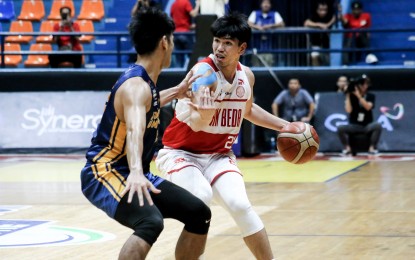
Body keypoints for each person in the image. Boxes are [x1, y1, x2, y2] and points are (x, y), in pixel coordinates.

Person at [156, 12, 290, 259]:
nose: (220, 47)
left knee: (240, 206)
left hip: (218, 155)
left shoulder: (246, 76)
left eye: (228, 43)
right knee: (200, 200)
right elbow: (197, 123)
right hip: (181, 153)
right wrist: (206, 114)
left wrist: (285, 126)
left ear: (242, 48)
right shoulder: (203, 74)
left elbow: (247, 110)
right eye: (217, 40)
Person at [80, 8, 211, 260]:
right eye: (171, 40)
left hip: (131, 170)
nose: (172, 46)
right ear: (165, 41)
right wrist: (138, 174)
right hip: (105, 171)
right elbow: (134, 130)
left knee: (198, 212)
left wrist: (177, 91)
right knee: (150, 222)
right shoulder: (136, 87)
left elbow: (146, 105)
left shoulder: (143, 83)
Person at [337, 74, 382, 155]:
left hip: (367, 125)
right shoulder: (351, 96)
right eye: (363, 84)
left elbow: (368, 107)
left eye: (366, 84)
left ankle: (372, 148)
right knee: (340, 128)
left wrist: (359, 96)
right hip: (354, 125)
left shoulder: (370, 96)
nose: (365, 86)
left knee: (377, 125)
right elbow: (348, 110)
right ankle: (347, 148)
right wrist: (347, 95)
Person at [248, 0, 285, 67]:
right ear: (261, 4)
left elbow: (282, 24)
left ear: (270, 5)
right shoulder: (255, 13)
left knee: (269, 68)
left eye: (268, 3)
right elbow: (248, 23)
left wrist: (270, 26)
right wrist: (257, 27)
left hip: (270, 48)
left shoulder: (275, 14)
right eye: (264, 3)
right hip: (256, 49)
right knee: (256, 69)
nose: (266, 5)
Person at [339, 1, 374, 65]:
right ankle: (345, 64)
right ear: (351, 10)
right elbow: (344, 22)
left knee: (362, 32)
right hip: (350, 40)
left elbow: (368, 30)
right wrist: (340, 13)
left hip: (360, 40)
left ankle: (369, 55)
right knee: (347, 43)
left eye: (358, 10)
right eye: (354, 10)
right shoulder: (348, 16)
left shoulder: (366, 16)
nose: (356, 11)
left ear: (361, 10)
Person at [304, 1, 335, 66]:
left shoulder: (329, 16)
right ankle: (316, 73)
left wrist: (327, 25)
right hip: (316, 44)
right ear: (317, 10)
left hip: (328, 45)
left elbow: (335, 19)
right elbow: (306, 23)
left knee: (331, 59)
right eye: (320, 10)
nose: (323, 12)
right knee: (314, 56)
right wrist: (319, 25)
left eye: (325, 10)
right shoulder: (314, 16)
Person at [170, 0, 200, 68]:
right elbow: (194, 14)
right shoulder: (185, 2)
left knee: (179, 61)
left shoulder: (174, 4)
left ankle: (178, 78)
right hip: (186, 34)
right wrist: (198, 4)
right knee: (192, 58)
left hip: (176, 35)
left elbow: (175, 20)